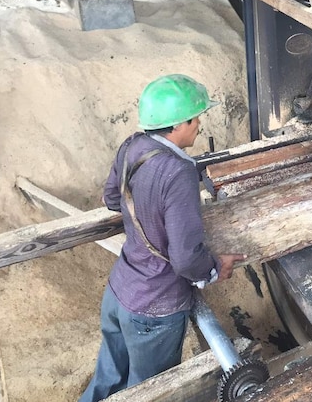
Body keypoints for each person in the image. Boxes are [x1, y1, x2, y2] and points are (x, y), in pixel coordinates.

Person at [80, 74, 247, 401]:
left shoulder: (131, 146)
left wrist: (146, 212)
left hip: (119, 291)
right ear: (178, 125)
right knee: (147, 393)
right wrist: (214, 268)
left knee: (109, 377)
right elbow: (186, 258)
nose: (199, 123)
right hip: (153, 311)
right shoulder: (178, 172)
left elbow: (112, 198)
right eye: (196, 117)